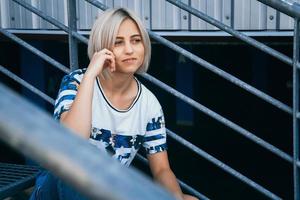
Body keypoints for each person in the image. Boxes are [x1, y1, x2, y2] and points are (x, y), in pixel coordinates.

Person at [31, 7, 197, 200]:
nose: (129, 49)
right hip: (58, 185)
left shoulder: (149, 105)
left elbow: (161, 170)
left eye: (136, 40)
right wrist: (91, 75)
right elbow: (71, 141)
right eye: (118, 42)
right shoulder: (76, 81)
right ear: (102, 49)